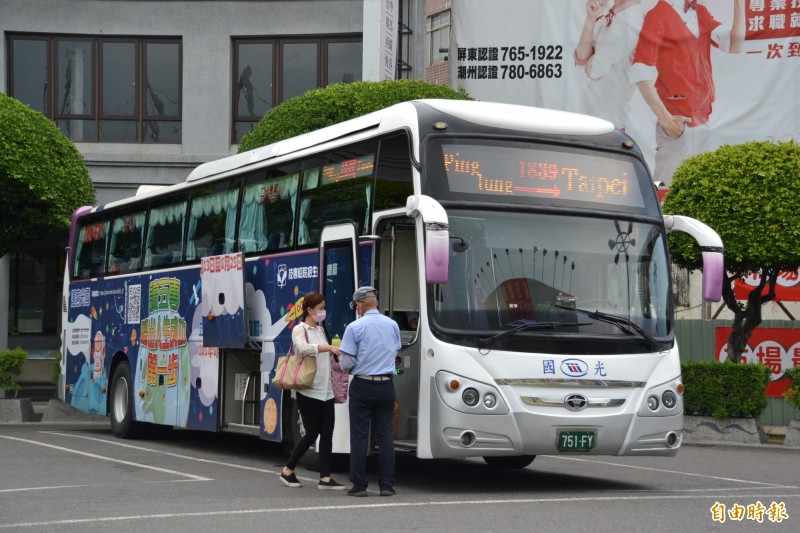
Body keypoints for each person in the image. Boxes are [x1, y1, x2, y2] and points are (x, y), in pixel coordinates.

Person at [630, 0, 745, 184]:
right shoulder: (659, 14)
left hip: (704, 122)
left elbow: (735, 45)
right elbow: (640, 69)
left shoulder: (700, 12)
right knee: (669, 191)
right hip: (678, 124)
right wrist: (667, 120)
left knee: (698, 194)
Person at [338, 286, 401, 497]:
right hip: (386, 386)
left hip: (363, 385)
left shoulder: (354, 327)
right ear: (377, 303)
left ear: (360, 304)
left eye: (356, 305)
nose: (357, 308)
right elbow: (395, 349)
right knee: (385, 437)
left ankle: (359, 484)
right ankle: (387, 485)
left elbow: (347, 364)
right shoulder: (392, 325)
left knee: (359, 437)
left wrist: (340, 358)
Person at [279, 291, 345, 490]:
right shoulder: (300, 329)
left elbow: (323, 353)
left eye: (324, 308)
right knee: (312, 432)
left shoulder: (320, 329)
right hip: (308, 389)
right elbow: (304, 348)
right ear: (309, 310)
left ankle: (325, 478)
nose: (323, 312)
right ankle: (287, 470)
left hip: (326, 389)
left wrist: (335, 352)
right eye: (320, 308)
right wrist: (328, 348)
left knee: (327, 433)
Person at [573, 0, 645, 130]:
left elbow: (594, 69)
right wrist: (591, 17)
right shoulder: (615, 15)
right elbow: (581, 58)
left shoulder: (630, 20)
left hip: (607, 123)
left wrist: (592, 55)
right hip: (592, 118)